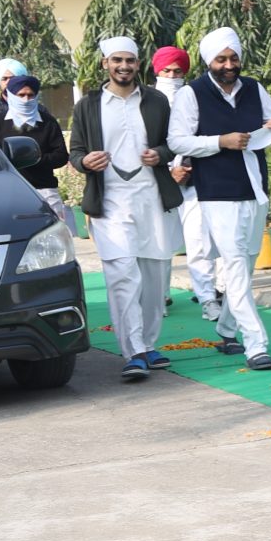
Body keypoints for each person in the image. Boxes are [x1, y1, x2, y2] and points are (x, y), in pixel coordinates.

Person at [167, 27, 271, 370]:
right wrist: (220, 141)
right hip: (216, 192)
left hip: (254, 188)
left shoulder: (252, 88)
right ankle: (257, 345)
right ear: (209, 61)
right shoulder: (192, 94)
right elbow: (177, 141)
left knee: (245, 265)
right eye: (221, 59)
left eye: (233, 58)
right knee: (235, 265)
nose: (229, 64)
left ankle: (225, 327)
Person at [67, 36, 184, 383]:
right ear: (105, 63)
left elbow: (173, 142)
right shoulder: (88, 105)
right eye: (116, 60)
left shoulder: (157, 100)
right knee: (122, 275)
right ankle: (132, 351)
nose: (123, 66)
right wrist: (85, 161)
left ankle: (148, 345)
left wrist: (160, 155)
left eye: (130, 61)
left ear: (138, 64)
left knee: (153, 276)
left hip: (152, 196)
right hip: (111, 201)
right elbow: (75, 152)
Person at [151, 45, 218, 322]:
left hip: (192, 179)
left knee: (199, 241)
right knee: (158, 244)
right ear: (157, 71)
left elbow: (203, 135)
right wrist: (169, 170)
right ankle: (157, 297)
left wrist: (186, 166)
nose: (172, 76)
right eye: (167, 71)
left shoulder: (196, 97)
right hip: (157, 181)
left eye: (178, 71)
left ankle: (207, 299)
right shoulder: (146, 102)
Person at [0, 70, 67, 194]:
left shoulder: (48, 121)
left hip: (44, 189)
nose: (26, 100)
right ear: (11, 96)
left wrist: (35, 159)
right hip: (6, 189)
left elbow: (61, 156)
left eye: (30, 95)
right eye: (21, 95)